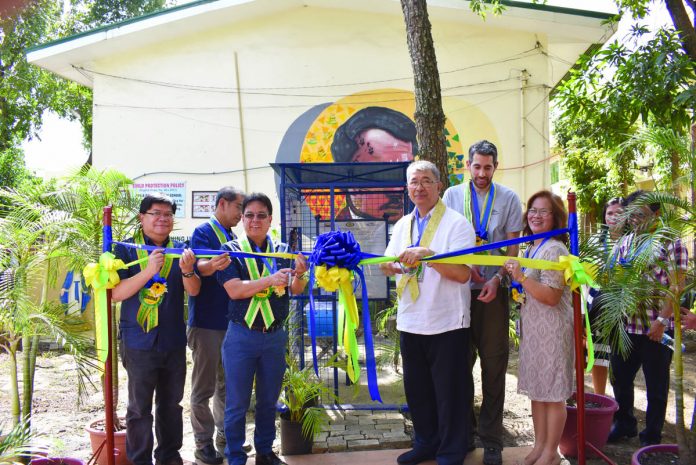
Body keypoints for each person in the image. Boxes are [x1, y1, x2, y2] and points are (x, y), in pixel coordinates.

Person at [380, 160, 475, 465]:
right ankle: (425, 442)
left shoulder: (457, 223)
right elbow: (384, 265)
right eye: (413, 182)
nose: (419, 187)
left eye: (425, 181)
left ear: (439, 186)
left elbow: (462, 274)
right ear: (407, 188)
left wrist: (429, 256)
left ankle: (452, 449)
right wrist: (394, 264)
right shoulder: (402, 224)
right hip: (411, 319)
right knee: (418, 390)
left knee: (450, 391)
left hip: (447, 320)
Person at [442, 139, 523, 465]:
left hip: (492, 292)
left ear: (495, 166)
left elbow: (513, 252)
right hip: (456, 294)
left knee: (493, 365)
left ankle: (491, 439)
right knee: (458, 366)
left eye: (488, 167)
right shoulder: (450, 196)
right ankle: (462, 433)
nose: (482, 173)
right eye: (476, 166)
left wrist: (498, 279)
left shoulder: (509, 199)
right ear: (468, 166)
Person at [217, 193, 308, 465]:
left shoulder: (282, 251)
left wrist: (301, 273)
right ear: (242, 219)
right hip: (241, 336)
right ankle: (235, 456)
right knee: (237, 405)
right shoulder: (231, 249)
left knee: (269, 401)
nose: (255, 220)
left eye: (261, 215)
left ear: (270, 220)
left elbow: (295, 289)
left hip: (274, 336)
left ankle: (265, 452)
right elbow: (234, 290)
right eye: (249, 215)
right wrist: (269, 280)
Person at [112, 193, 201, 465]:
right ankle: (140, 460)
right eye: (156, 213)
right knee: (139, 409)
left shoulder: (182, 249)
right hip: (138, 341)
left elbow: (194, 289)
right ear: (142, 218)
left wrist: (187, 271)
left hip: (173, 341)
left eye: (168, 214)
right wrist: (148, 271)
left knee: (171, 406)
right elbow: (116, 293)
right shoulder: (125, 250)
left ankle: (169, 456)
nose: (162, 219)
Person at [607, 190, 688, 447]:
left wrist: (662, 321)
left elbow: (677, 287)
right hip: (628, 324)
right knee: (619, 376)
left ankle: (652, 436)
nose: (633, 220)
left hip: (657, 328)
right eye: (630, 215)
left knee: (656, 385)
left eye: (639, 215)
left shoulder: (672, 243)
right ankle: (625, 423)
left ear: (656, 214)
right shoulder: (627, 241)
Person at [504, 190, 574, 465]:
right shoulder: (533, 246)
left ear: (555, 218)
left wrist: (521, 277)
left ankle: (551, 452)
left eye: (543, 211)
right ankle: (539, 446)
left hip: (553, 330)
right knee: (537, 391)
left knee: (553, 395)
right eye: (532, 210)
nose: (535, 215)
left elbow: (552, 296)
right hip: (534, 330)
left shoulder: (555, 248)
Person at [188, 187, 246, 464]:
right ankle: (203, 445)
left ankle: (226, 438)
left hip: (231, 322)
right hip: (206, 324)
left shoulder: (234, 237)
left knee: (227, 385)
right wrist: (212, 264)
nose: (242, 214)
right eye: (239, 207)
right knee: (203, 388)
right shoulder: (203, 232)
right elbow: (197, 266)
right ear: (222, 204)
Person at [331, 106, 417, 221]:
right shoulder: (338, 235)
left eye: (406, 173)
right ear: (347, 178)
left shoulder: (418, 230)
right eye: (379, 174)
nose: (397, 190)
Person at [587, 197, 624, 396]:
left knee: (619, 360)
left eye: (619, 213)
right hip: (597, 307)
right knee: (599, 356)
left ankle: (621, 401)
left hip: (623, 307)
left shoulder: (633, 241)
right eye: (609, 213)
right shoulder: (595, 242)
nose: (613, 217)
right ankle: (600, 397)